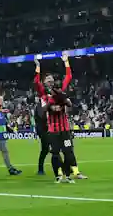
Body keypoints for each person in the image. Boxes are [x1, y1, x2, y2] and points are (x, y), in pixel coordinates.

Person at [34, 55, 84, 183]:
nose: (50, 82)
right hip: (53, 130)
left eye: (51, 80)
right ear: (44, 83)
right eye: (48, 81)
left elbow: (68, 77)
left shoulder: (61, 92)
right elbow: (36, 82)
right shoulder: (44, 95)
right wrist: (38, 67)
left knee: (68, 152)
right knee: (55, 153)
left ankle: (68, 175)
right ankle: (59, 175)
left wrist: (66, 62)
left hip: (65, 128)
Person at [0, 93, 21, 176]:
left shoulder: (2, 111)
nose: (2, 101)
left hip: (2, 136)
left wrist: (11, 130)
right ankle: (10, 169)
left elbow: (4, 124)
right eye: (0, 100)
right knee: (5, 152)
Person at [33, 94, 56, 177]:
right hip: (43, 130)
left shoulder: (46, 105)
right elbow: (42, 116)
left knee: (53, 148)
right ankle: (40, 169)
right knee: (45, 149)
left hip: (49, 129)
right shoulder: (39, 106)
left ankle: (62, 167)